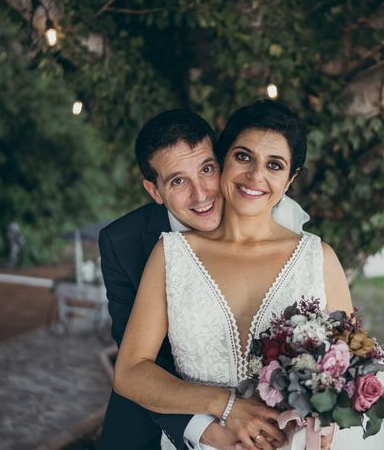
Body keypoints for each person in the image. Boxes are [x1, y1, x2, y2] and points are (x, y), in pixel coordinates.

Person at [114, 100, 384, 449]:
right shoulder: (171, 254)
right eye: (243, 156)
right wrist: (226, 407)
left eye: (274, 165)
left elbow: (349, 367)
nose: (255, 176)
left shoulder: (317, 258)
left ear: (290, 180)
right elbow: (130, 373)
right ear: (223, 159)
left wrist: (324, 422)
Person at [97, 109, 308, 450]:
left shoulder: (273, 215)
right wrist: (209, 425)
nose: (201, 195)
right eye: (178, 181)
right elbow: (138, 361)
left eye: (207, 169)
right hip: (161, 421)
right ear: (154, 190)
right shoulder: (123, 243)